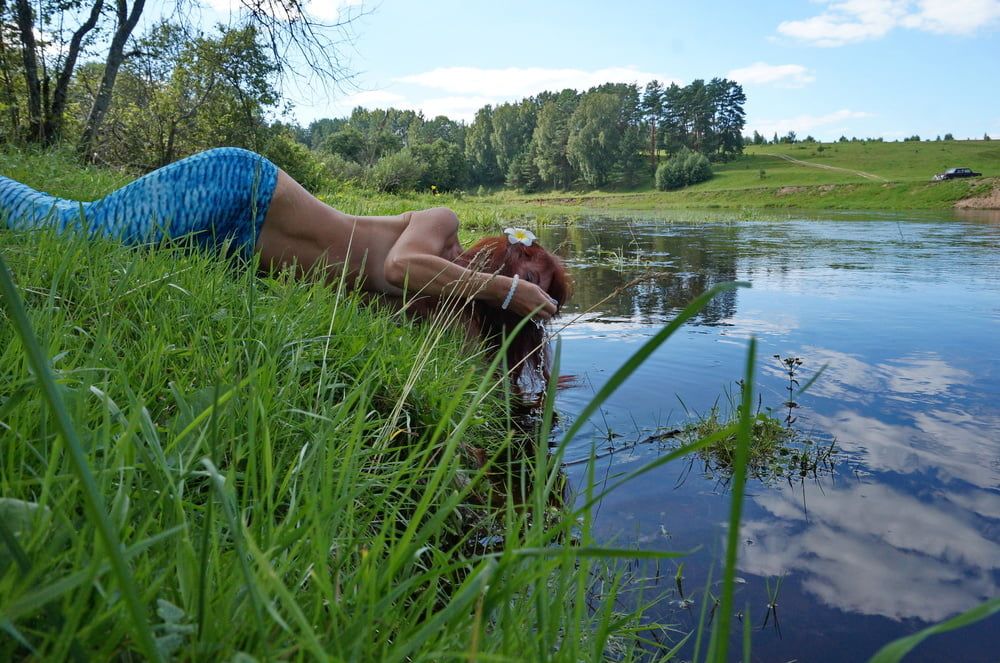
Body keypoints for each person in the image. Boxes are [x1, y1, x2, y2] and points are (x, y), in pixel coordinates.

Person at [0, 146, 570, 383]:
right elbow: (398, 267)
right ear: (506, 253)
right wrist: (499, 291)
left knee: (83, 225)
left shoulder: (446, 301)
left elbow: (459, 358)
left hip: (230, 247)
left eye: (538, 293)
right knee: (76, 229)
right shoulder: (440, 225)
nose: (528, 287)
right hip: (242, 189)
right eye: (532, 273)